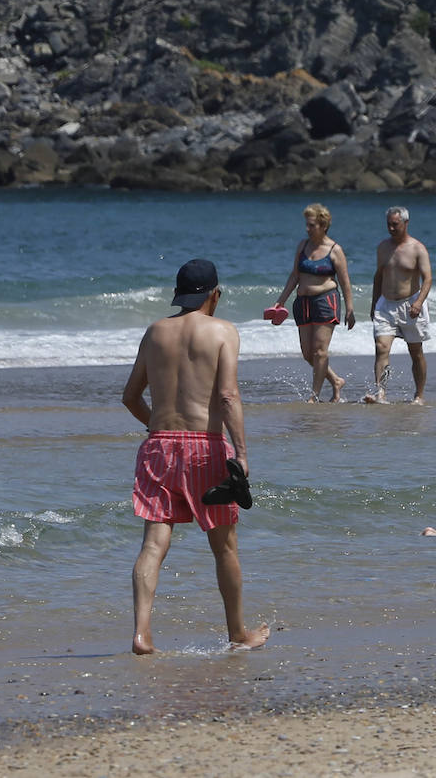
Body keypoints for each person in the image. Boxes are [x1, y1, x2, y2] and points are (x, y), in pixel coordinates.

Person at [120, 259, 270, 654]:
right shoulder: (223, 332)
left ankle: (141, 633)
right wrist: (241, 452)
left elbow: (130, 397)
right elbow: (227, 395)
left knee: (153, 544)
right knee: (224, 546)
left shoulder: (155, 333)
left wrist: (159, 428)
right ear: (214, 294)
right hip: (206, 446)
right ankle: (238, 633)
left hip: (158, 445)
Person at [271, 203, 355, 402]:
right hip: (302, 302)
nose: (307, 229)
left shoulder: (335, 250)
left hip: (325, 300)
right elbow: (294, 275)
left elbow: (344, 281)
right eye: (307, 225)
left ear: (323, 225)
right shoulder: (303, 245)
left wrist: (350, 308)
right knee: (308, 354)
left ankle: (314, 395)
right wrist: (280, 302)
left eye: (311, 225)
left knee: (320, 351)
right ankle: (335, 380)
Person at [363, 205, 432, 405]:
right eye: (389, 225)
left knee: (415, 351)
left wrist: (419, 302)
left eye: (395, 225)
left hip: (410, 303)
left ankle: (419, 396)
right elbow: (378, 277)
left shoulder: (417, 248)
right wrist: (374, 304)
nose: (391, 229)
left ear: (405, 223)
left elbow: (427, 279)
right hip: (386, 305)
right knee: (381, 346)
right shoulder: (383, 247)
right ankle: (381, 394)